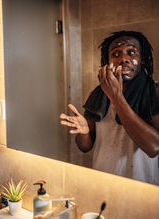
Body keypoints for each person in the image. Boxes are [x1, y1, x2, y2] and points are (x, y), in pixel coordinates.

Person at [60, 30, 159, 185]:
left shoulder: (154, 91)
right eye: (116, 54)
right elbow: (85, 147)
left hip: (141, 187)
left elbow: (154, 147)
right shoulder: (99, 93)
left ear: (143, 60)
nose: (124, 59)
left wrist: (116, 97)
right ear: (107, 62)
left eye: (131, 52)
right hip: (103, 183)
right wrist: (84, 132)